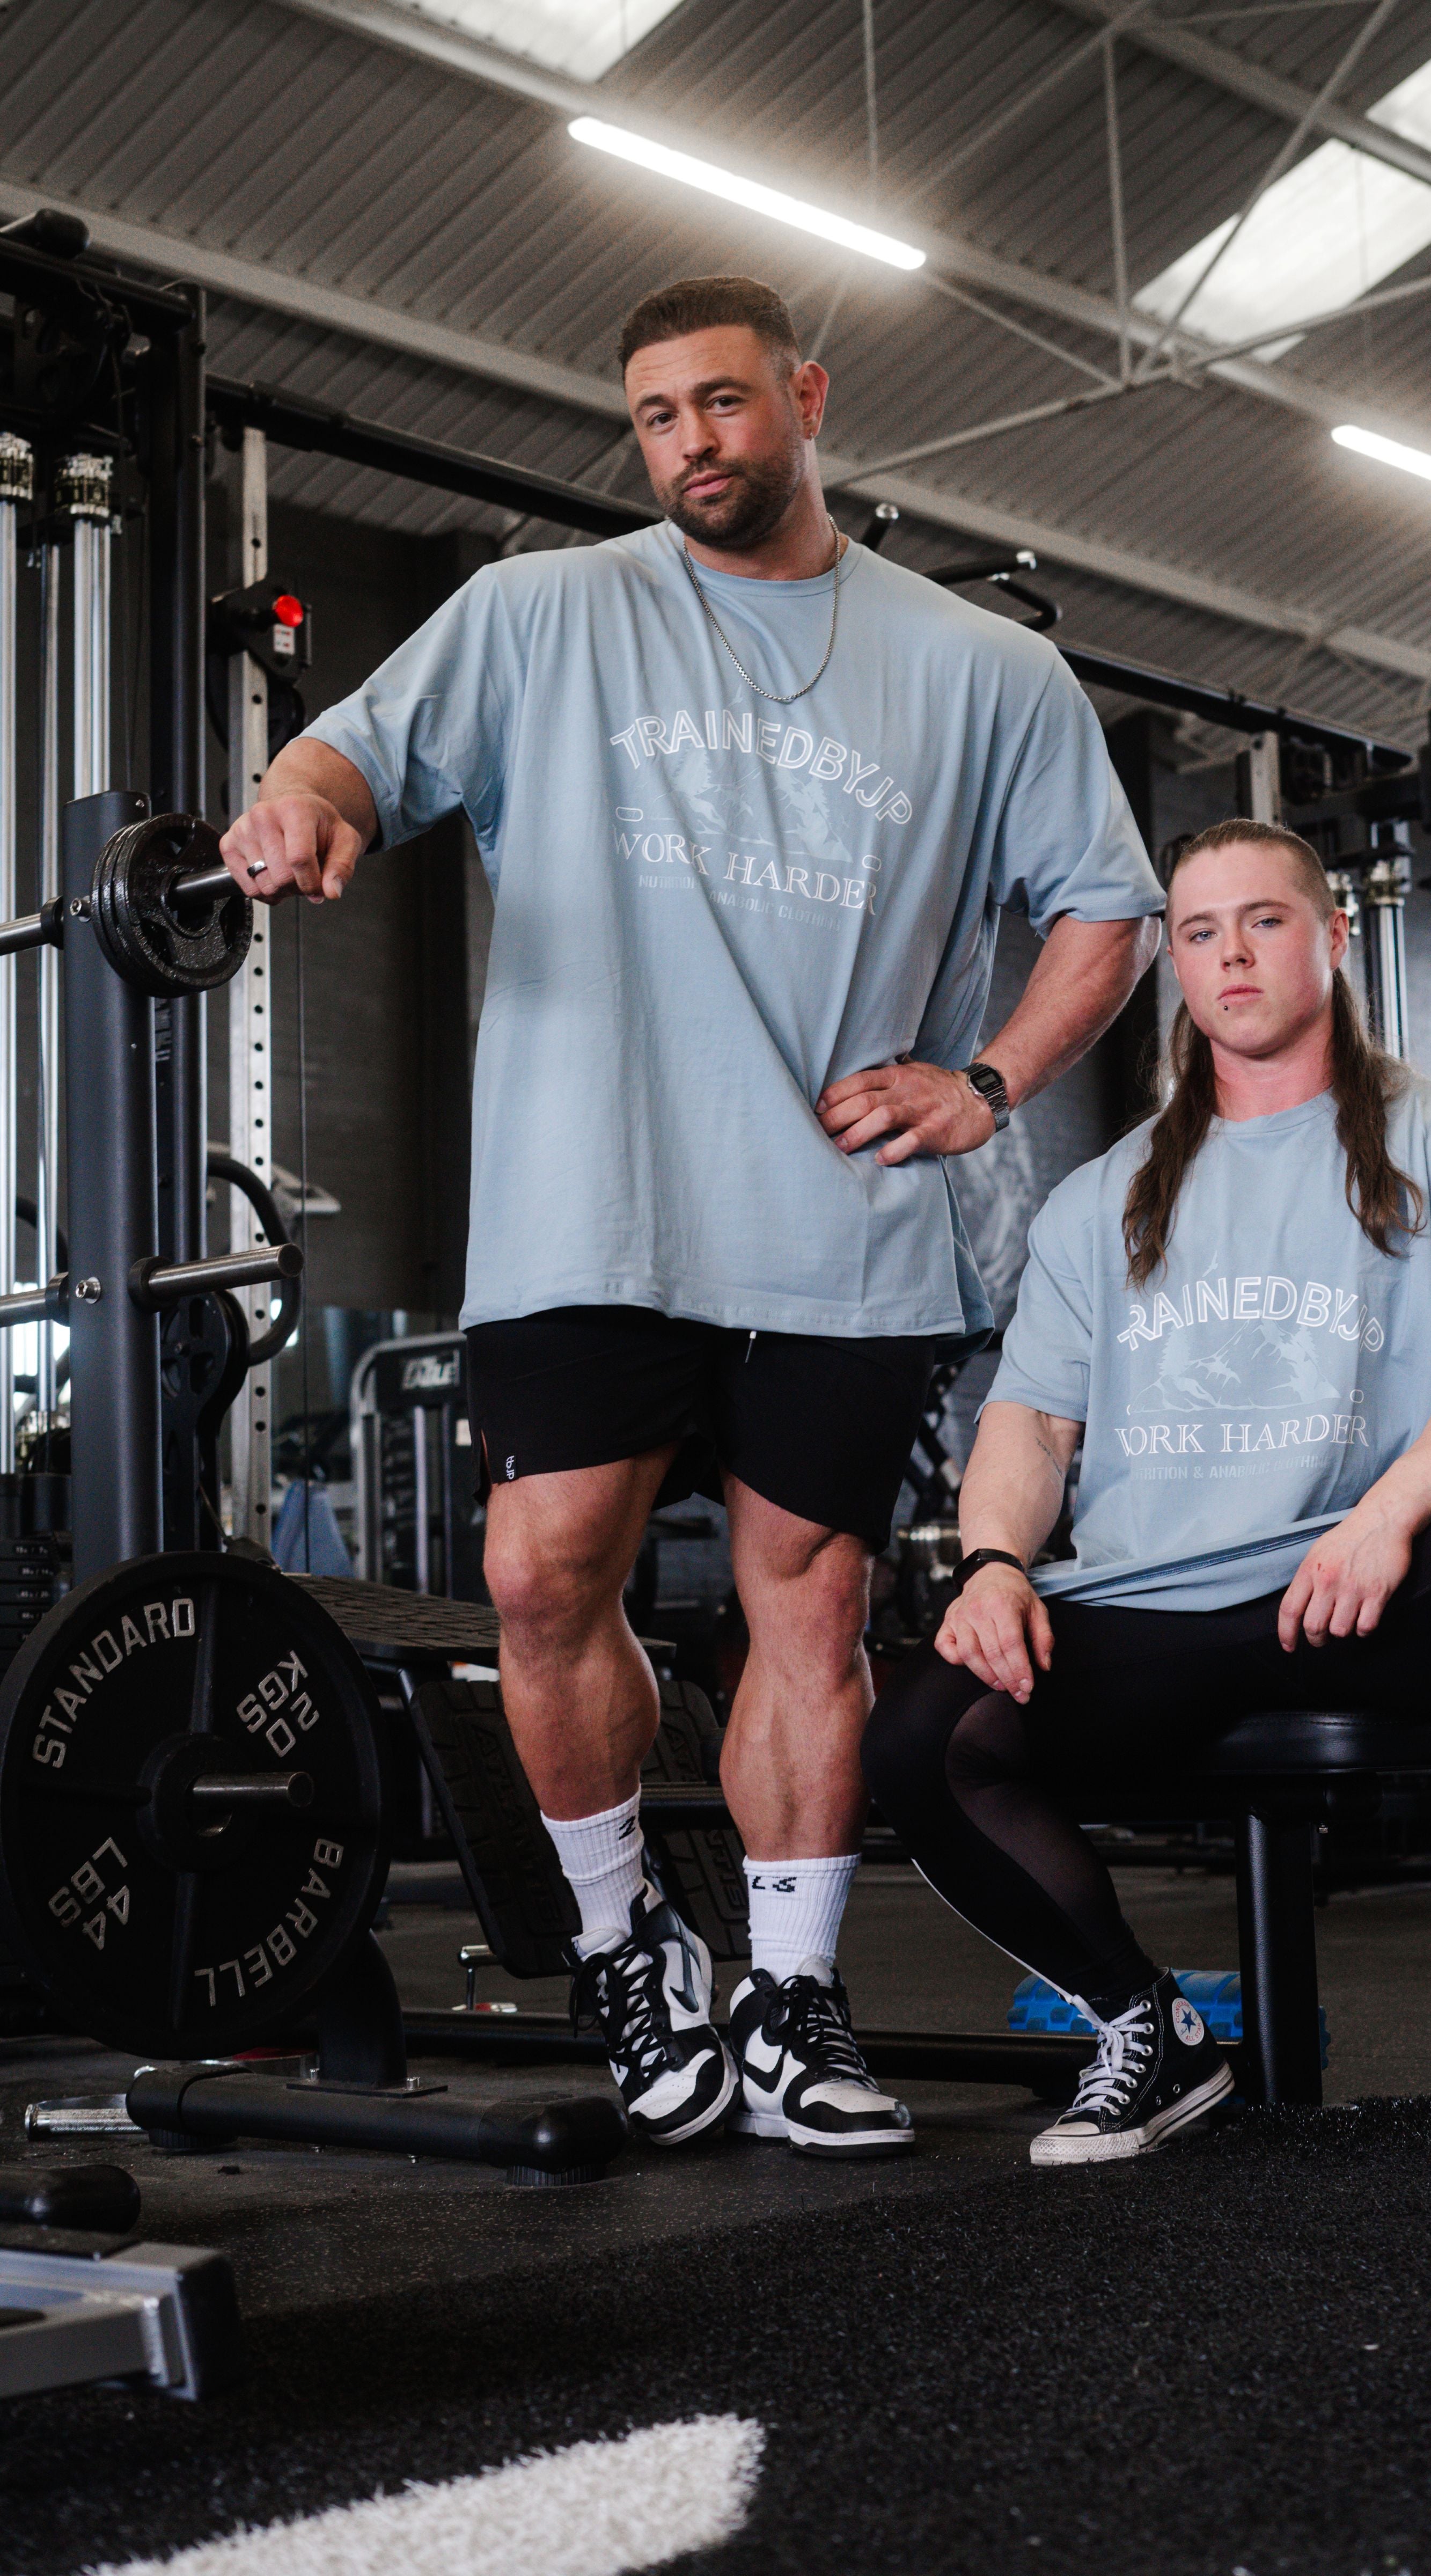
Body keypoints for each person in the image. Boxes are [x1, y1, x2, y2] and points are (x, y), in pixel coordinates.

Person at [218, 275, 1162, 2160]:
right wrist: (292, 807)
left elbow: (1108, 914)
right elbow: (349, 753)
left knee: (804, 1604)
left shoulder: (981, 669)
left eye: (722, 404)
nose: (690, 446)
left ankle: (797, 1998)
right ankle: (628, 1942)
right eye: (654, 417)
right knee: (535, 1575)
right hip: (593, 1203)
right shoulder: (545, 614)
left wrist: (980, 1083)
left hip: (847, 1217)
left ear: (806, 397)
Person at [863, 817, 1431, 2183]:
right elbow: (1029, 1423)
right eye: (1201, 931)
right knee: (925, 1726)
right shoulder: (1100, 1200)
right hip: (1155, 1606)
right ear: (1175, 964)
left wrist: (1387, 1516)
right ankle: (1142, 2027)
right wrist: (990, 1565)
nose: (1231, 955)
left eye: (1263, 921)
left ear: (1331, 941)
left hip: (1359, 1583)